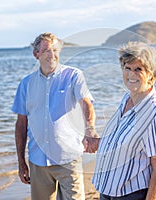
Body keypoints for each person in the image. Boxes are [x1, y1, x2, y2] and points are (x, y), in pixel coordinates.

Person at [12, 32, 99, 200]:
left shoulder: (73, 76)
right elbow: (21, 125)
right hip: (38, 162)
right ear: (36, 54)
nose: (51, 54)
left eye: (54, 49)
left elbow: (86, 104)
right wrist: (21, 162)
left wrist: (90, 130)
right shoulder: (26, 84)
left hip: (68, 158)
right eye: (45, 50)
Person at [92, 42, 156, 200]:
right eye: (127, 68)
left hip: (131, 194)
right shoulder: (127, 97)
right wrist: (98, 142)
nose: (131, 74)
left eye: (138, 69)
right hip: (108, 190)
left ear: (151, 74)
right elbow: (126, 143)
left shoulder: (155, 112)